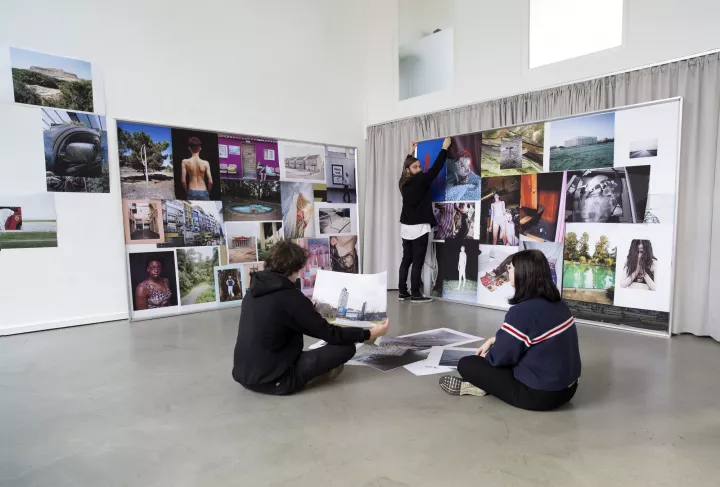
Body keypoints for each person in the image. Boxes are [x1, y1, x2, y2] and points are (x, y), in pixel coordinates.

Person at [233, 241, 390, 395]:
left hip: (244, 376)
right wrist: (369, 334)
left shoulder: (253, 292)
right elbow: (331, 333)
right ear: (294, 269)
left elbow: (279, 316)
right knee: (346, 348)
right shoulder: (290, 297)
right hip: (278, 381)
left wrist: (307, 309)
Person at [439, 250, 581, 411]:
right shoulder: (559, 304)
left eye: (511, 268)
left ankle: (482, 386)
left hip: (540, 396)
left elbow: (500, 358)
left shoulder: (522, 312)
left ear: (523, 273)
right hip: (569, 389)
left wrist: (489, 355)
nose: (508, 271)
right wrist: (495, 340)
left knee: (467, 364)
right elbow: (530, 339)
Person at [398, 136, 452, 303]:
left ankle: (403, 292)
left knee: (406, 259)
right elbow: (436, 168)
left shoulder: (403, 182)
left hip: (406, 227)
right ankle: (415, 294)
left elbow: (405, 168)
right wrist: (444, 148)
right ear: (409, 170)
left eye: (420, 166)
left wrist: (409, 153)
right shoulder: (420, 180)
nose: (420, 169)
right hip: (419, 227)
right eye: (416, 167)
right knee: (417, 262)